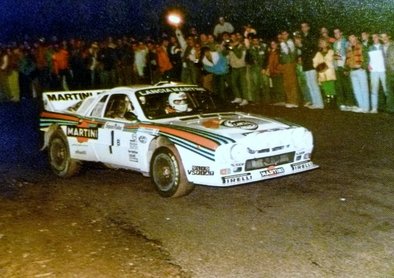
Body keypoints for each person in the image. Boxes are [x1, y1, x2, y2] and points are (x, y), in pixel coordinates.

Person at [346, 33, 370, 113]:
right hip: (352, 71)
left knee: (364, 89)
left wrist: (362, 66)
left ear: (356, 37)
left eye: (352, 37)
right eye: (349, 38)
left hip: (360, 70)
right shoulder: (348, 47)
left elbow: (367, 58)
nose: (351, 39)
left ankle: (366, 108)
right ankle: (361, 106)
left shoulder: (362, 46)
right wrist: (347, 68)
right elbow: (347, 59)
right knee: (356, 90)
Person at [313, 38, 337, 108]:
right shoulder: (318, 53)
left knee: (331, 88)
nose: (322, 44)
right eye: (321, 43)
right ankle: (328, 103)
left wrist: (325, 64)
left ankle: (333, 104)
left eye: (323, 42)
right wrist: (319, 67)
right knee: (326, 89)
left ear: (327, 43)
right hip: (322, 74)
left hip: (329, 73)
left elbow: (332, 60)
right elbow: (315, 63)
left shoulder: (331, 51)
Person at [279, 30, 299, 108]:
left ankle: (294, 101)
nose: (284, 36)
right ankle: (290, 100)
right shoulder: (283, 43)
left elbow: (288, 52)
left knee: (291, 83)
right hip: (285, 65)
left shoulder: (290, 42)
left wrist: (283, 43)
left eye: (285, 34)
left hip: (290, 64)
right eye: (282, 34)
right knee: (286, 84)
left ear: (288, 34)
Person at [368, 33, 387, 113]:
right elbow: (368, 58)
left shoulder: (383, 47)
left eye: (376, 37)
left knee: (386, 89)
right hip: (373, 71)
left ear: (378, 38)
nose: (374, 38)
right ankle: (374, 108)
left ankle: (391, 107)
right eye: (373, 37)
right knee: (374, 90)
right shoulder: (370, 47)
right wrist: (368, 64)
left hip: (383, 70)